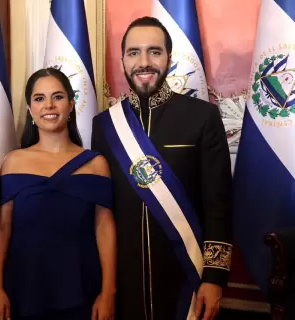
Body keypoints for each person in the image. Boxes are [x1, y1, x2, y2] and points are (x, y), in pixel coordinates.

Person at [91, 17, 233, 320]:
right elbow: (101, 211)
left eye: (154, 52)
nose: (144, 62)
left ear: (169, 57)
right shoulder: (104, 126)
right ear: (122, 60)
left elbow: (218, 205)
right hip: (123, 283)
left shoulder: (202, 117)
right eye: (134, 53)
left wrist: (214, 278)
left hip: (187, 279)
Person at [0, 68, 117, 320]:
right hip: (24, 289)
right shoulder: (13, 162)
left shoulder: (96, 163)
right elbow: (2, 230)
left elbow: (104, 228)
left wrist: (108, 292)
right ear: (30, 109)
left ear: (71, 105)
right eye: (39, 98)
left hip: (82, 289)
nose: (49, 105)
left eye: (57, 97)